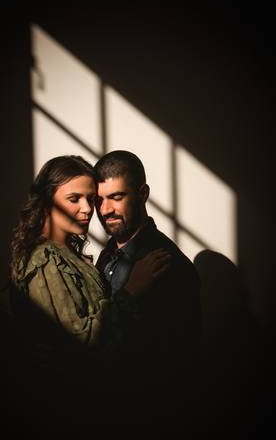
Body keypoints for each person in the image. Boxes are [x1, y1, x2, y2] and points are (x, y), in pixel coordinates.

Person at [8, 155, 171, 386]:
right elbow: (79, 342)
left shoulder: (73, 254)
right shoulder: (44, 260)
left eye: (90, 199)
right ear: (46, 200)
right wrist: (132, 290)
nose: (88, 209)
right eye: (74, 199)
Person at [93, 150, 202, 394]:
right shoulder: (107, 254)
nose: (105, 210)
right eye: (98, 200)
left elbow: (176, 363)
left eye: (116, 197)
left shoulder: (168, 264)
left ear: (143, 194)